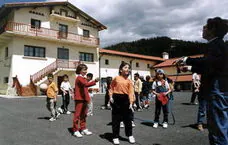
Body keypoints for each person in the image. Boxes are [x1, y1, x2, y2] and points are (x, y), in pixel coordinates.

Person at [174, 17, 228, 145]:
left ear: (212, 29)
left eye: (205, 27)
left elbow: (208, 63)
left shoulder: (216, 45)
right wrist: (190, 67)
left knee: (218, 128)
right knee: (217, 126)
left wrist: (187, 59)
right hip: (218, 88)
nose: (202, 30)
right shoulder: (218, 45)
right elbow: (211, 66)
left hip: (217, 89)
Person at [109, 61, 136, 145]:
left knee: (128, 119)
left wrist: (131, 102)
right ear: (121, 70)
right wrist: (110, 97)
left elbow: (131, 92)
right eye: (125, 67)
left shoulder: (129, 81)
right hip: (116, 99)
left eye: (128, 68)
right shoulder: (116, 78)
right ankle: (115, 136)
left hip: (125, 99)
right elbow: (111, 87)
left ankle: (130, 135)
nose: (127, 69)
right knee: (116, 119)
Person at [72, 64, 99, 138]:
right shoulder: (79, 78)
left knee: (84, 115)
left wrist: (88, 98)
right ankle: (75, 130)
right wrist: (95, 81)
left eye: (86, 69)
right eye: (84, 70)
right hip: (79, 99)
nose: (85, 71)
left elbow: (85, 88)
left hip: (84, 99)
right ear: (79, 70)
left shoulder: (83, 78)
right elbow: (86, 84)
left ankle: (83, 128)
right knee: (77, 115)